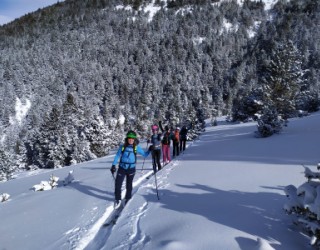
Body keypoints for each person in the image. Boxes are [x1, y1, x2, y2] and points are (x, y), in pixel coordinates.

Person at [110, 130, 151, 209]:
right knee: (118, 184)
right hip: (122, 168)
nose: (131, 140)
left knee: (129, 185)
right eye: (129, 138)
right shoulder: (122, 147)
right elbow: (117, 156)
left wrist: (149, 149)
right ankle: (118, 199)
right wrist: (113, 165)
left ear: (134, 139)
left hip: (131, 169)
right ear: (127, 139)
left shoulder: (136, 147)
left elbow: (145, 155)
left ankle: (127, 198)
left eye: (132, 138)